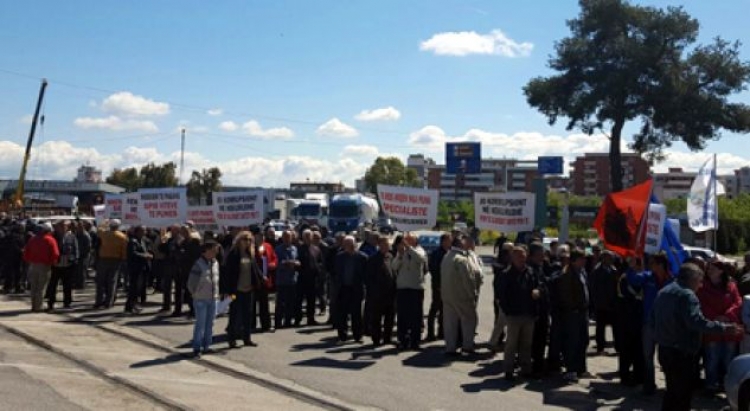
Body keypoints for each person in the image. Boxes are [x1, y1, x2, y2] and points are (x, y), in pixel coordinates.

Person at [651, 263, 741, 411]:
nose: (700, 285)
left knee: (672, 392)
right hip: (681, 353)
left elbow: (653, 319)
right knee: (683, 395)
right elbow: (697, 323)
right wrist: (725, 328)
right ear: (692, 279)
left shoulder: (664, 291)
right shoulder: (687, 295)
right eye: (699, 281)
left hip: (665, 349)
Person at [626, 253, 672, 395]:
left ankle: (670, 386)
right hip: (649, 323)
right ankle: (649, 384)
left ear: (661, 265)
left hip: (666, 325)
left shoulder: (672, 280)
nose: (650, 266)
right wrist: (631, 268)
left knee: (666, 357)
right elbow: (633, 280)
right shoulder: (647, 277)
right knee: (647, 355)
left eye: (653, 263)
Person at [696, 260, 742, 392]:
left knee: (729, 360)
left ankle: (728, 387)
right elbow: (701, 304)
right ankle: (711, 385)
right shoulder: (702, 287)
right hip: (712, 329)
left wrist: (727, 315)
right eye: (708, 268)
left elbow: (737, 302)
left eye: (713, 268)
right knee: (712, 359)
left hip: (730, 328)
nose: (709, 270)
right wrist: (715, 317)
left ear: (721, 271)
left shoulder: (731, 286)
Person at [498, 246, 540, 380]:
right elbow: (502, 296)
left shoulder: (531, 272)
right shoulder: (506, 274)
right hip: (514, 315)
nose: (522, 259)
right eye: (519, 256)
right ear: (513, 258)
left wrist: (538, 291)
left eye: (524, 256)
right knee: (511, 344)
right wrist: (508, 312)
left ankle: (526, 368)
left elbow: (539, 285)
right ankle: (508, 370)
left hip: (529, 314)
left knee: (526, 344)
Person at [548, 248, 589, 382]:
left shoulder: (582, 271)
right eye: (581, 259)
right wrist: (574, 308)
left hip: (583, 312)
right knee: (572, 342)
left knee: (583, 341)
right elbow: (566, 296)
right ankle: (571, 369)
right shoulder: (567, 274)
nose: (584, 261)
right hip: (572, 313)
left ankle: (581, 369)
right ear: (575, 260)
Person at [441, 236, 482, 356]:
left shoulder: (446, 256)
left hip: (447, 295)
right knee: (469, 320)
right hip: (462, 296)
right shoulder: (462, 260)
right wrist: (472, 293)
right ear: (460, 244)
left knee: (450, 323)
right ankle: (467, 347)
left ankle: (450, 348)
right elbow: (468, 279)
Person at [221, 232, 261, 348]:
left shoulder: (250, 254)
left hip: (248, 289)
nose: (247, 242)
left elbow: (255, 269)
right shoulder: (234, 254)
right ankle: (232, 339)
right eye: (245, 239)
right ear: (239, 240)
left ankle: (247, 338)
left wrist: (259, 279)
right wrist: (227, 289)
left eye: (249, 240)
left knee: (247, 314)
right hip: (235, 290)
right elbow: (228, 273)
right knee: (234, 313)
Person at [391, 233, 427, 350]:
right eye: (405, 240)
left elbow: (420, 259)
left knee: (415, 317)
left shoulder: (419, 250)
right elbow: (394, 267)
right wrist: (400, 256)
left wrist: (409, 249)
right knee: (402, 317)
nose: (406, 242)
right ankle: (403, 340)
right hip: (402, 288)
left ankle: (415, 341)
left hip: (415, 288)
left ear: (415, 241)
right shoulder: (402, 252)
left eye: (409, 240)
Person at [187, 241, 221, 358]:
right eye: (214, 250)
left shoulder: (215, 263)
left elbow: (216, 280)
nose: (216, 252)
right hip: (201, 299)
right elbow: (191, 283)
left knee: (210, 323)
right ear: (206, 250)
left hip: (213, 298)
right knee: (200, 324)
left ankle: (207, 345)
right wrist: (195, 293)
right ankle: (197, 348)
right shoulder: (198, 264)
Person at [333, 236, 367, 342]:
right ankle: (342, 335)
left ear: (355, 244)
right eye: (347, 245)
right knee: (342, 313)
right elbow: (336, 273)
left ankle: (358, 335)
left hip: (356, 289)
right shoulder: (339, 257)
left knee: (356, 314)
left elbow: (366, 275)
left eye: (351, 245)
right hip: (343, 289)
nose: (349, 247)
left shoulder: (362, 257)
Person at [365, 236, 396, 346]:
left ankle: (387, 338)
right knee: (376, 319)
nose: (387, 247)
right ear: (379, 245)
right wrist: (373, 292)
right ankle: (376, 339)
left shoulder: (391, 257)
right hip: (377, 295)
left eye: (388, 245)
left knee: (390, 318)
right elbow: (368, 278)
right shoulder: (373, 259)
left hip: (390, 294)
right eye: (384, 245)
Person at [23, 223, 59, 312]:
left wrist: (29, 260)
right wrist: (53, 263)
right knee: (41, 287)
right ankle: (38, 306)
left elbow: (26, 252)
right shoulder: (50, 240)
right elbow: (55, 254)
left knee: (33, 287)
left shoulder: (32, 239)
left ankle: (33, 305)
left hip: (33, 265)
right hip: (44, 266)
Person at [591, 251, 619, 354]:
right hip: (602, 305)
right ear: (603, 259)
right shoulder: (597, 271)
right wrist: (597, 303)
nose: (611, 260)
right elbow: (594, 289)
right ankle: (600, 347)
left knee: (616, 328)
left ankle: (618, 347)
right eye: (609, 258)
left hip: (613, 304)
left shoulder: (614, 270)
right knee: (600, 328)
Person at [95, 219, 128, 309]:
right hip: (116, 260)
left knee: (100, 281)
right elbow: (124, 251)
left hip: (103, 259)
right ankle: (109, 303)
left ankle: (98, 301)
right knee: (112, 282)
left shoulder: (105, 234)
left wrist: (104, 222)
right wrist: (123, 260)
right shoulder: (122, 236)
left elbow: (98, 230)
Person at [46, 221, 78, 311]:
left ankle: (67, 303)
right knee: (53, 285)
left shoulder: (71, 236)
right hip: (56, 265)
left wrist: (75, 260)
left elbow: (76, 249)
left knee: (67, 285)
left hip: (68, 264)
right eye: (61, 226)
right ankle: (51, 303)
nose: (63, 228)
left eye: (65, 226)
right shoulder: (53, 236)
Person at [488, 242, 514, 351]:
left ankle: (496, 341)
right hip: (503, 297)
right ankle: (495, 342)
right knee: (502, 321)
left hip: (501, 297)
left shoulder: (501, 264)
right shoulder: (504, 267)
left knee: (500, 321)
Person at [296, 229, 324, 326]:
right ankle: (297, 319)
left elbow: (320, 262)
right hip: (301, 278)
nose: (308, 238)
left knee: (311, 300)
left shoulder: (316, 249)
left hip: (313, 279)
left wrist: (318, 269)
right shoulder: (298, 249)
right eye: (306, 236)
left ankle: (311, 318)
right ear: (303, 238)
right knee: (298, 300)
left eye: (309, 236)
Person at [426, 233, 451, 341]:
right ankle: (430, 334)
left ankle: (441, 332)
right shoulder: (436, 253)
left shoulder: (449, 252)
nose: (450, 242)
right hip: (438, 286)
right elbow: (434, 270)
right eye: (449, 240)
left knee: (444, 310)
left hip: (447, 286)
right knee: (434, 309)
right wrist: (439, 285)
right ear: (443, 241)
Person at [274, 230, 300, 329]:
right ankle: (278, 322)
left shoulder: (294, 248)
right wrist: (286, 263)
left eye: (289, 237)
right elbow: (276, 262)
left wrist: (297, 263)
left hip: (292, 279)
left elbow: (297, 259)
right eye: (285, 237)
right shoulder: (278, 249)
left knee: (290, 302)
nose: (287, 239)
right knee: (280, 303)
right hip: (281, 280)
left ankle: (288, 321)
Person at [253, 228, 277, 332]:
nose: (261, 237)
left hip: (266, 279)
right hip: (254, 280)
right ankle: (251, 325)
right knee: (252, 304)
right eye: (259, 235)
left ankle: (266, 325)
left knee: (264, 304)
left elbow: (274, 258)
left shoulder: (268, 246)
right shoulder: (251, 247)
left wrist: (273, 264)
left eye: (263, 235)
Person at [125, 226, 152, 314]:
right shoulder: (133, 241)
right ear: (137, 232)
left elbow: (144, 250)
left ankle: (131, 305)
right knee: (134, 287)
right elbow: (133, 253)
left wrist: (148, 254)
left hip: (142, 268)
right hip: (135, 268)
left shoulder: (143, 241)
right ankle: (131, 305)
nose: (144, 232)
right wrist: (145, 255)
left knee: (138, 288)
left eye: (144, 231)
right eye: (142, 231)